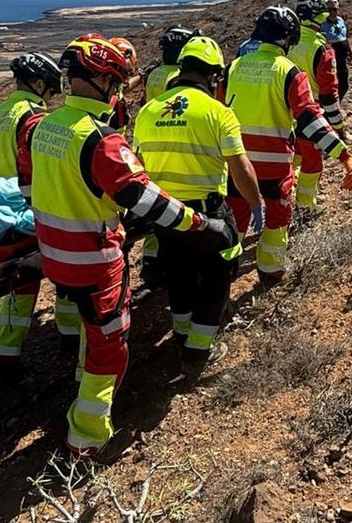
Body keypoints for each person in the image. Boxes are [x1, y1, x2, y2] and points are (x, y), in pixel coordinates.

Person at [28, 35, 234, 458]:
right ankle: (87, 438)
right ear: (103, 81)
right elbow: (147, 200)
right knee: (110, 348)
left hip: (56, 255)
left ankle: (80, 381)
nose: (119, 92)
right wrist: (200, 223)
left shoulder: (42, 126)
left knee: (90, 328)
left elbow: (36, 189)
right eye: (117, 83)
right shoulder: (102, 141)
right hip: (95, 259)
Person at [133, 36, 262, 380]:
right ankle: (199, 352)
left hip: (163, 215)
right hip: (207, 214)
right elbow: (241, 167)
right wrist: (256, 203)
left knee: (179, 275)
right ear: (213, 76)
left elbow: (138, 165)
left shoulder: (148, 111)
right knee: (218, 277)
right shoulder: (218, 112)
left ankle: (180, 336)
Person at [223, 6, 352, 283]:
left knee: (235, 220)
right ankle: (270, 272)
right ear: (289, 38)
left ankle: (223, 275)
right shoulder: (288, 71)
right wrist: (344, 155)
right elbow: (310, 119)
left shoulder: (234, 66)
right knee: (277, 220)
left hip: (236, 163)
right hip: (274, 165)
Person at [0, 53, 79, 375]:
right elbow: (35, 166)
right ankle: (69, 334)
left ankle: (6, 353)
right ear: (38, 84)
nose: (50, 97)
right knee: (63, 270)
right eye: (49, 90)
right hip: (30, 204)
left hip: (0, 205)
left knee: (18, 280)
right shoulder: (33, 118)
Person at [139, 25, 196, 287]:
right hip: (172, 145)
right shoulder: (177, 77)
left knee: (153, 204)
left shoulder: (152, 74)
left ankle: (150, 261)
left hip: (149, 146)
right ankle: (169, 263)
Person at [287, 0, 345, 208]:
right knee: (312, 161)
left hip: (284, 111)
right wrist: (337, 126)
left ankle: (286, 192)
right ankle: (305, 206)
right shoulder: (320, 48)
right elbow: (329, 93)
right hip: (310, 112)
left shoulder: (286, 42)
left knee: (293, 155)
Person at [322, 0, 352, 101]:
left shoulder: (340, 21)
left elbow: (345, 38)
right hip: (330, 61)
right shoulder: (322, 24)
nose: (333, 12)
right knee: (332, 86)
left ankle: (337, 104)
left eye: (335, 9)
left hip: (342, 59)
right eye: (330, 10)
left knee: (344, 85)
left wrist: (350, 53)